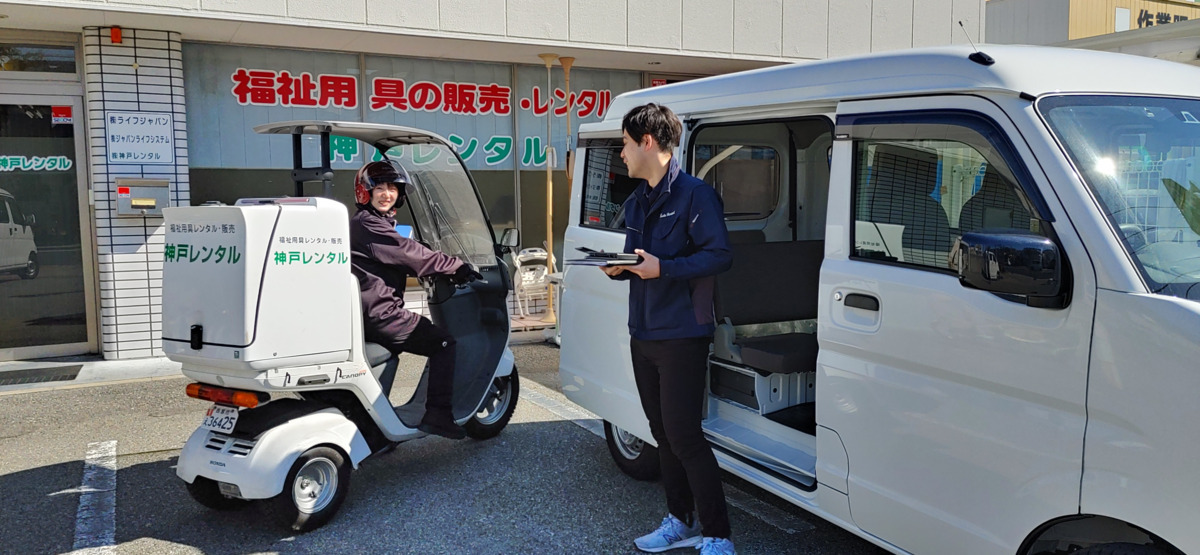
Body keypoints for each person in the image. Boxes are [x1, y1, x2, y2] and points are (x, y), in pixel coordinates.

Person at [601, 103, 735, 555]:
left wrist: (664, 268)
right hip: (644, 331)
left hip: (682, 334)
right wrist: (618, 268)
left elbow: (719, 256)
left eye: (623, 143)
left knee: (684, 436)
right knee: (662, 435)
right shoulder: (637, 200)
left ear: (648, 142)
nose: (621, 153)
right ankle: (679, 519)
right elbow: (634, 257)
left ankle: (718, 536)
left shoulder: (696, 196)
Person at [349, 160, 481, 440]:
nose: (387, 194)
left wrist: (430, 264)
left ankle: (378, 430)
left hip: (366, 313)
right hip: (383, 315)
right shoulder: (370, 225)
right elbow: (410, 253)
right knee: (443, 344)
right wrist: (457, 266)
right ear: (366, 193)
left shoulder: (369, 224)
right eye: (380, 188)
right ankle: (438, 415)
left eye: (393, 189)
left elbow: (402, 256)